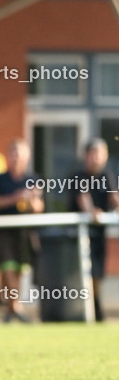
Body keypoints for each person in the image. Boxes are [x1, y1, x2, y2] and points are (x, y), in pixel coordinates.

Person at [0, 139, 43, 323]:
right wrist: (14, 198)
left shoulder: (33, 179)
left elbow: (39, 206)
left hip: (24, 233)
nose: (16, 158)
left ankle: (11, 309)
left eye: (20, 154)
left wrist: (32, 201)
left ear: (27, 157)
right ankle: (16, 306)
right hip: (3, 233)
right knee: (7, 269)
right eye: (13, 153)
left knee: (18, 272)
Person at [68, 138, 116, 322]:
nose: (96, 158)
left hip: (98, 235)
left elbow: (114, 198)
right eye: (93, 153)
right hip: (76, 236)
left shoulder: (107, 176)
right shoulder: (77, 176)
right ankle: (84, 310)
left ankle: (95, 307)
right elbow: (83, 199)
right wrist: (91, 211)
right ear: (86, 155)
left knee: (97, 273)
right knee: (81, 274)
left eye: (100, 154)